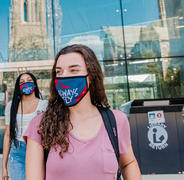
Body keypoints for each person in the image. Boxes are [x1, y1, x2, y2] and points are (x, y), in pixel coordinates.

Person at [24, 44, 141, 180]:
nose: (64, 77)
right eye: (59, 72)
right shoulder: (41, 125)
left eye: (73, 70)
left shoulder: (115, 121)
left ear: (90, 76)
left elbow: (128, 163)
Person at [2, 72, 48, 180]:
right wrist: (4, 166)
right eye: (22, 82)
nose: (26, 83)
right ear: (18, 87)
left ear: (35, 84)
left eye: (29, 81)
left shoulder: (44, 105)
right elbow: (8, 135)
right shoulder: (11, 106)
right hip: (17, 152)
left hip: (38, 149)